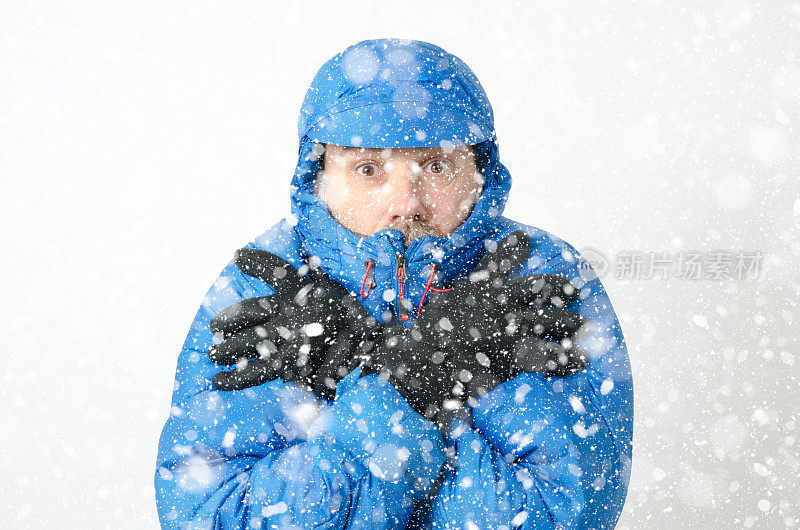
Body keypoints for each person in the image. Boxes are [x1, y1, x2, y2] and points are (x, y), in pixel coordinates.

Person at [155, 38, 633, 529]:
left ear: (480, 171)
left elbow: (568, 513)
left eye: (436, 166)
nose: (406, 203)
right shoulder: (269, 283)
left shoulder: (537, 278)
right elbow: (205, 514)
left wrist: (373, 402)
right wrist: (397, 389)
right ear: (316, 173)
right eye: (368, 169)